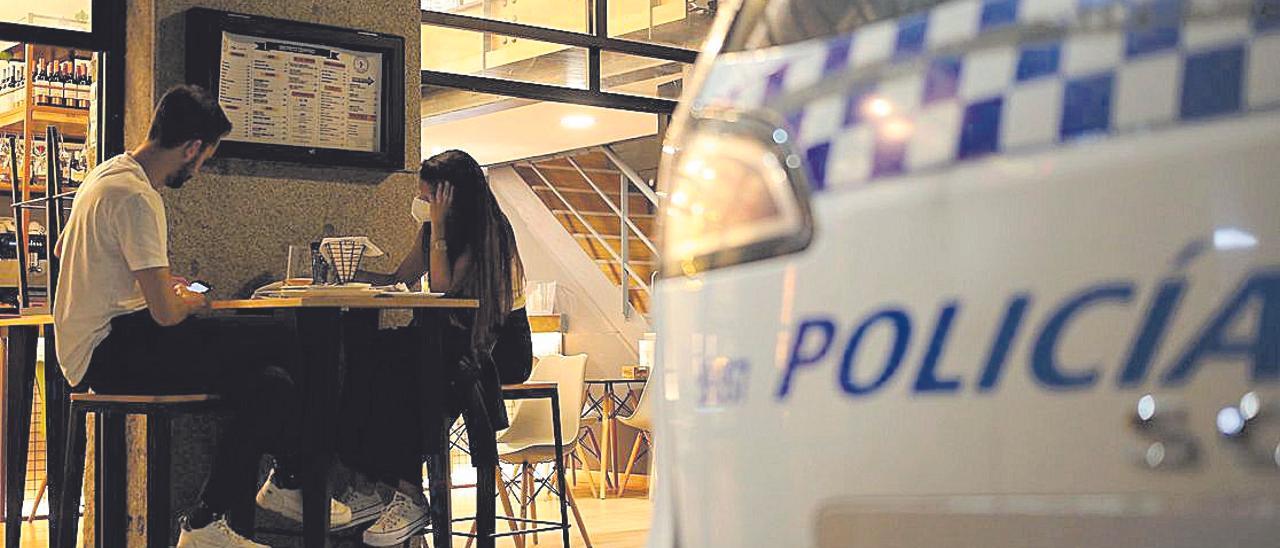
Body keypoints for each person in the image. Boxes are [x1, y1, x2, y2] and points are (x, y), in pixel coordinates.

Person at [53, 85, 351, 547]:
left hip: (98, 347)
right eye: (205, 158)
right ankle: (295, 478)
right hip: (113, 351)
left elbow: (64, 251)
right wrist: (193, 299)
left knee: (269, 384)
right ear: (192, 148)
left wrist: (151, 284)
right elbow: (168, 316)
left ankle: (206, 523)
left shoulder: (106, 175)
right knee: (284, 339)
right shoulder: (137, 197)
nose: (200, 167)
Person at [341, 150, 533, 546]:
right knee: (377, 352)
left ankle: (406, 493)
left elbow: (444, 289)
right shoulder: (432, 231)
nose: (422, 203)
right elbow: (401, 277)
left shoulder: (488, 231)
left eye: (428, 196)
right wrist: (346, 275)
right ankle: (369, 482)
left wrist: (440, 229)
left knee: (408, 367)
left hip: (499, 346)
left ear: (450, 195)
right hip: (449, 338)